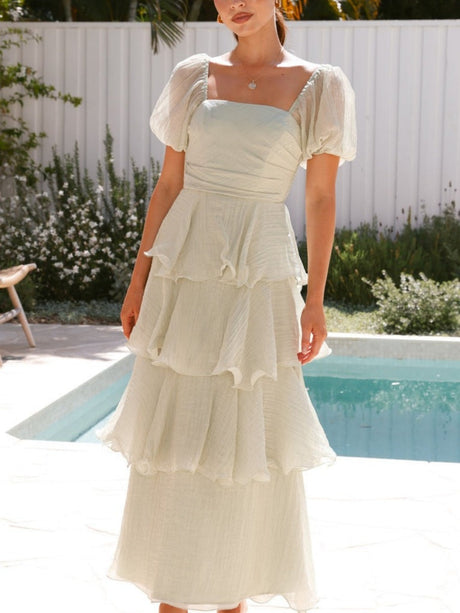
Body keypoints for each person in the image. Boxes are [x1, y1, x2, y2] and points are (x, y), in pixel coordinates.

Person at [97, 1, 357, 612]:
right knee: (176, 436)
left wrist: (316, 300)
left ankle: (232, 594)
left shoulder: (321, 86)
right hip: (185, 270)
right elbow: (169, 185)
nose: (235, 3)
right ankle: (172, 595)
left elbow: (321, 199)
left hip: (259, 272)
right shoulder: (192, 75)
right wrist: (139, 280)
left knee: (246, 437)